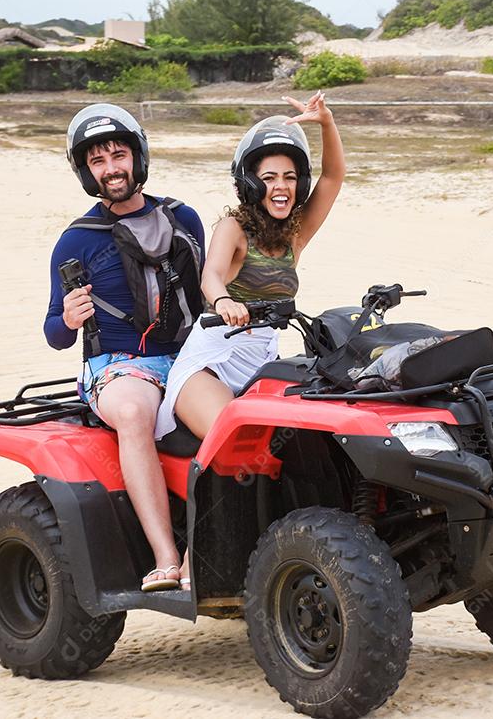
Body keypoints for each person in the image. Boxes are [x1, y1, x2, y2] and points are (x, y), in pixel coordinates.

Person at [45, 103, 205, 593]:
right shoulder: (76, 240)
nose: (111, 168)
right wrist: (69, 318)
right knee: (136, 412)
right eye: (98, 161)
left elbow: (207, 295)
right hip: (114, 369)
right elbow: (55, 332)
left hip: (185, 358)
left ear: (138, 157)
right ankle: (166, 556)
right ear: (86, 172)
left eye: (118, 154)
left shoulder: (184, 219)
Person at [153, 90, 344, 449]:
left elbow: (333, 178)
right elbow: (211, 275)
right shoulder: (233, 228)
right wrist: (223, 301)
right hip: (212, 364)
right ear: (252, 183)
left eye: (290, 177)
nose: (281, 186)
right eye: (270, 178)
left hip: (264, 364)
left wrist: (327, 123)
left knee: (306, 442)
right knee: (237, 442)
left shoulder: (295, 234)